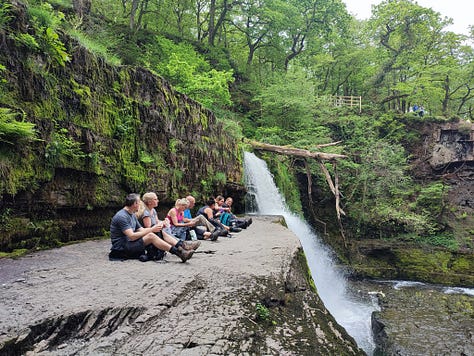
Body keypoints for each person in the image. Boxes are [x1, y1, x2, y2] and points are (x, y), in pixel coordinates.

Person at [109, 193, 194, 263]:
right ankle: (179, 253)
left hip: (130, 242)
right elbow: (131, 236)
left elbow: (141, 229)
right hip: (122, 247)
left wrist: (157, 227)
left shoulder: (132, 214)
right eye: (139, 203)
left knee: (156, 230)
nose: (141, 205)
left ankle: (181, 245)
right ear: (135, 204)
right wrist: (152, 230)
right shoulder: (122, 216)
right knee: (151, 235)